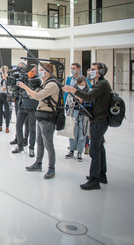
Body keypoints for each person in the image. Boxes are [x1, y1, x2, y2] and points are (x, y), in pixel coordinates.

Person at [63, 62, 112, 190]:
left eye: (93, 69)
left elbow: (89, 96)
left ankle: (94, 180)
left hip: (99, 121)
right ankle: (101, 175)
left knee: (95, 150)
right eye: (90, 69)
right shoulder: (98, 84)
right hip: (97, 119)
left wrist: (73, 90)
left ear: (100, 71)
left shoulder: (102, 84)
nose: (90, 71)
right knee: (100, 148)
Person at [19, 62, 59, 179]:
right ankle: (38, 163)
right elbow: (33, 95)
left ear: (49, 71)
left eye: (42, 69)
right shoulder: (44, 83)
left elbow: (37, 96)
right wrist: (27, 87)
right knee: (39, 142)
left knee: (48, 143)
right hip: (40, 115)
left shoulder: (52, 84)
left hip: (48, 116)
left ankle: (51, 168)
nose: (39, 71)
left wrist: (25, 87)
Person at [11, 70, 39, 157]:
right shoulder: (23, 81)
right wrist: (15, 87)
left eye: (33, 71)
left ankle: (31, 148)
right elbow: (17, 94)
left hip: (32, 108)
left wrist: (24, 88)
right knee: (18, 127)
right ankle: (20, 146)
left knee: (32, 129)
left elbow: (32, 94)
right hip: (22, 107)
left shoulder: (37, 82)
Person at [65, 76, 91, 162]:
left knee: (82, 134)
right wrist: (74, 98)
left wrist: (83, 100)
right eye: (80, 84)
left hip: (84, 114)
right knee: (73, 133)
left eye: (83, 84)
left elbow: (91, 102)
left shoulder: (89, 91)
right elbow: (68, 101)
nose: (81, 86)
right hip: (74, 112)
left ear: (86, 83)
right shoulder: (72, 90)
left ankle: (80, 152)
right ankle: (71, 150)